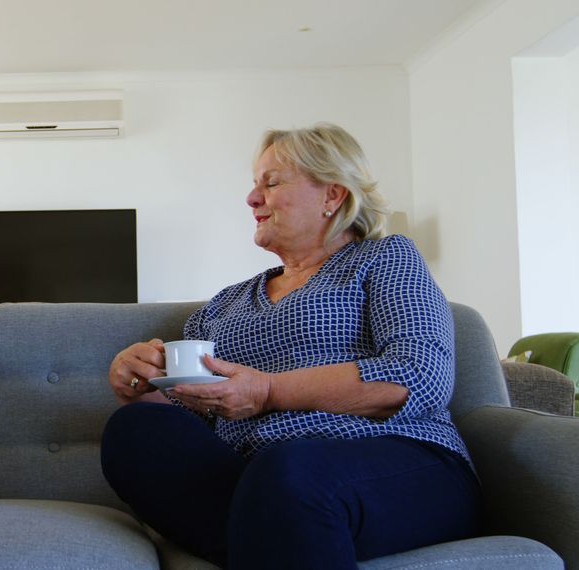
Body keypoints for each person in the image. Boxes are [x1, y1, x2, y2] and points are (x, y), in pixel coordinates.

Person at [100, 123, 480, 569]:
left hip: (395, 460)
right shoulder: (223, 304)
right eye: (254, 184)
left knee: (289, 474)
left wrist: (268, 391)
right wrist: (144, 384)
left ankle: (273, 530)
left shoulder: (385, 257)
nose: (251, 198)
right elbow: (197, 412)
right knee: (136, 430)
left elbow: (420, 376)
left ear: (332, 196)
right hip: (257, 478)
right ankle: (277, 533)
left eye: (272, 182)